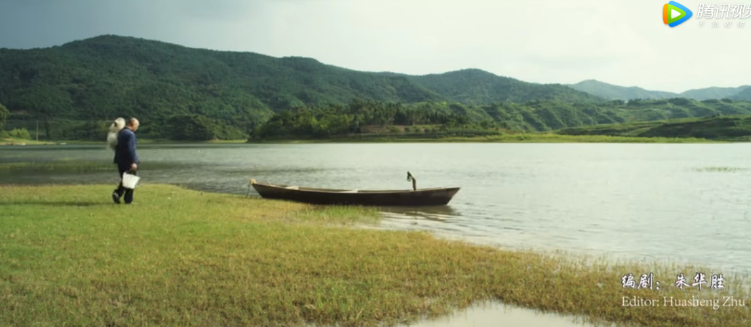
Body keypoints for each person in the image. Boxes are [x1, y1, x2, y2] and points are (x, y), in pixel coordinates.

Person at [112, 118, 140, 204]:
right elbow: (131, 149)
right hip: (128, 161)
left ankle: (125, 198)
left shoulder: (120, 133)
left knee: (126, 179)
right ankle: (119, 194)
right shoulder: (130, 134)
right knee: (130, 180)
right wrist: (134, 162)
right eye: (137, 126)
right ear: (133, 125)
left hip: (120, 160)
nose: (137, 128)